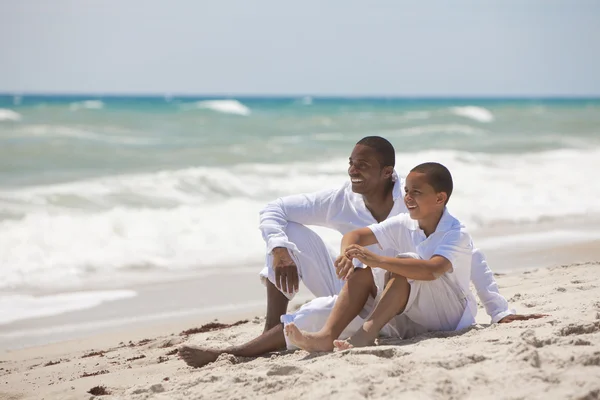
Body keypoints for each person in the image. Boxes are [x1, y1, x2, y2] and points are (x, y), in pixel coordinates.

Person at [179, 137, 542, 367]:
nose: (352, 171)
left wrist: (500, 311)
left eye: (362, 166)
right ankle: (239, 350)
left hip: (416, 298)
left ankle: (353, 328)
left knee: (400, 265)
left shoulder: (422, 209)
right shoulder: (351, 202)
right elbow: (286, 213)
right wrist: (292, 251)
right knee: (296, 271)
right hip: (359, 288)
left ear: (388, 174)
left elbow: (460, 261)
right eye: (350, 163)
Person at [285, 162, 476, 351]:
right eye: (406, 191)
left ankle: (366, 334)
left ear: (440, 198)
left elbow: (433, 270)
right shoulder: (404, 223)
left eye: (416, 192)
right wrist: (346, 254)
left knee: (404, 262)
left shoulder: (456, 233)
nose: (408, 198)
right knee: (363, 271)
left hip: (449, 318)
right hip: (413, 322)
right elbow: (356, 236)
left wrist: (378, 260)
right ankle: (326, 336)